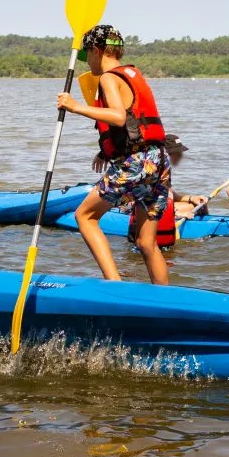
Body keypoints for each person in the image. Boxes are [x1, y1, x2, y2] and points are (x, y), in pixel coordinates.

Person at [56, 25, 173, 284]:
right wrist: (105, 150)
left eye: (88, 56)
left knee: (85, 216)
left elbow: (119, 117)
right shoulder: (133, 74)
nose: (88, 63)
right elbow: (133, 122)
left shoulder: (108, 78)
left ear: (97, 51)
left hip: (136, 162)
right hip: (158, 160)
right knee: (146, 243)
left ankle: (114, 284)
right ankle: (166, 297)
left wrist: (74, 107)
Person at [127, 135, 208, 250]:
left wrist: (191, 198)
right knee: (195, 208)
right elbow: (143, 197)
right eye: (177, 153)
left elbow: (168, 192)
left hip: (157, 206)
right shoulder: (153, 166)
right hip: (136, 209)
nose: (180, 157)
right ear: (166, 153)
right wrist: (177, 214)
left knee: (200, 206)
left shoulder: (164, 167)